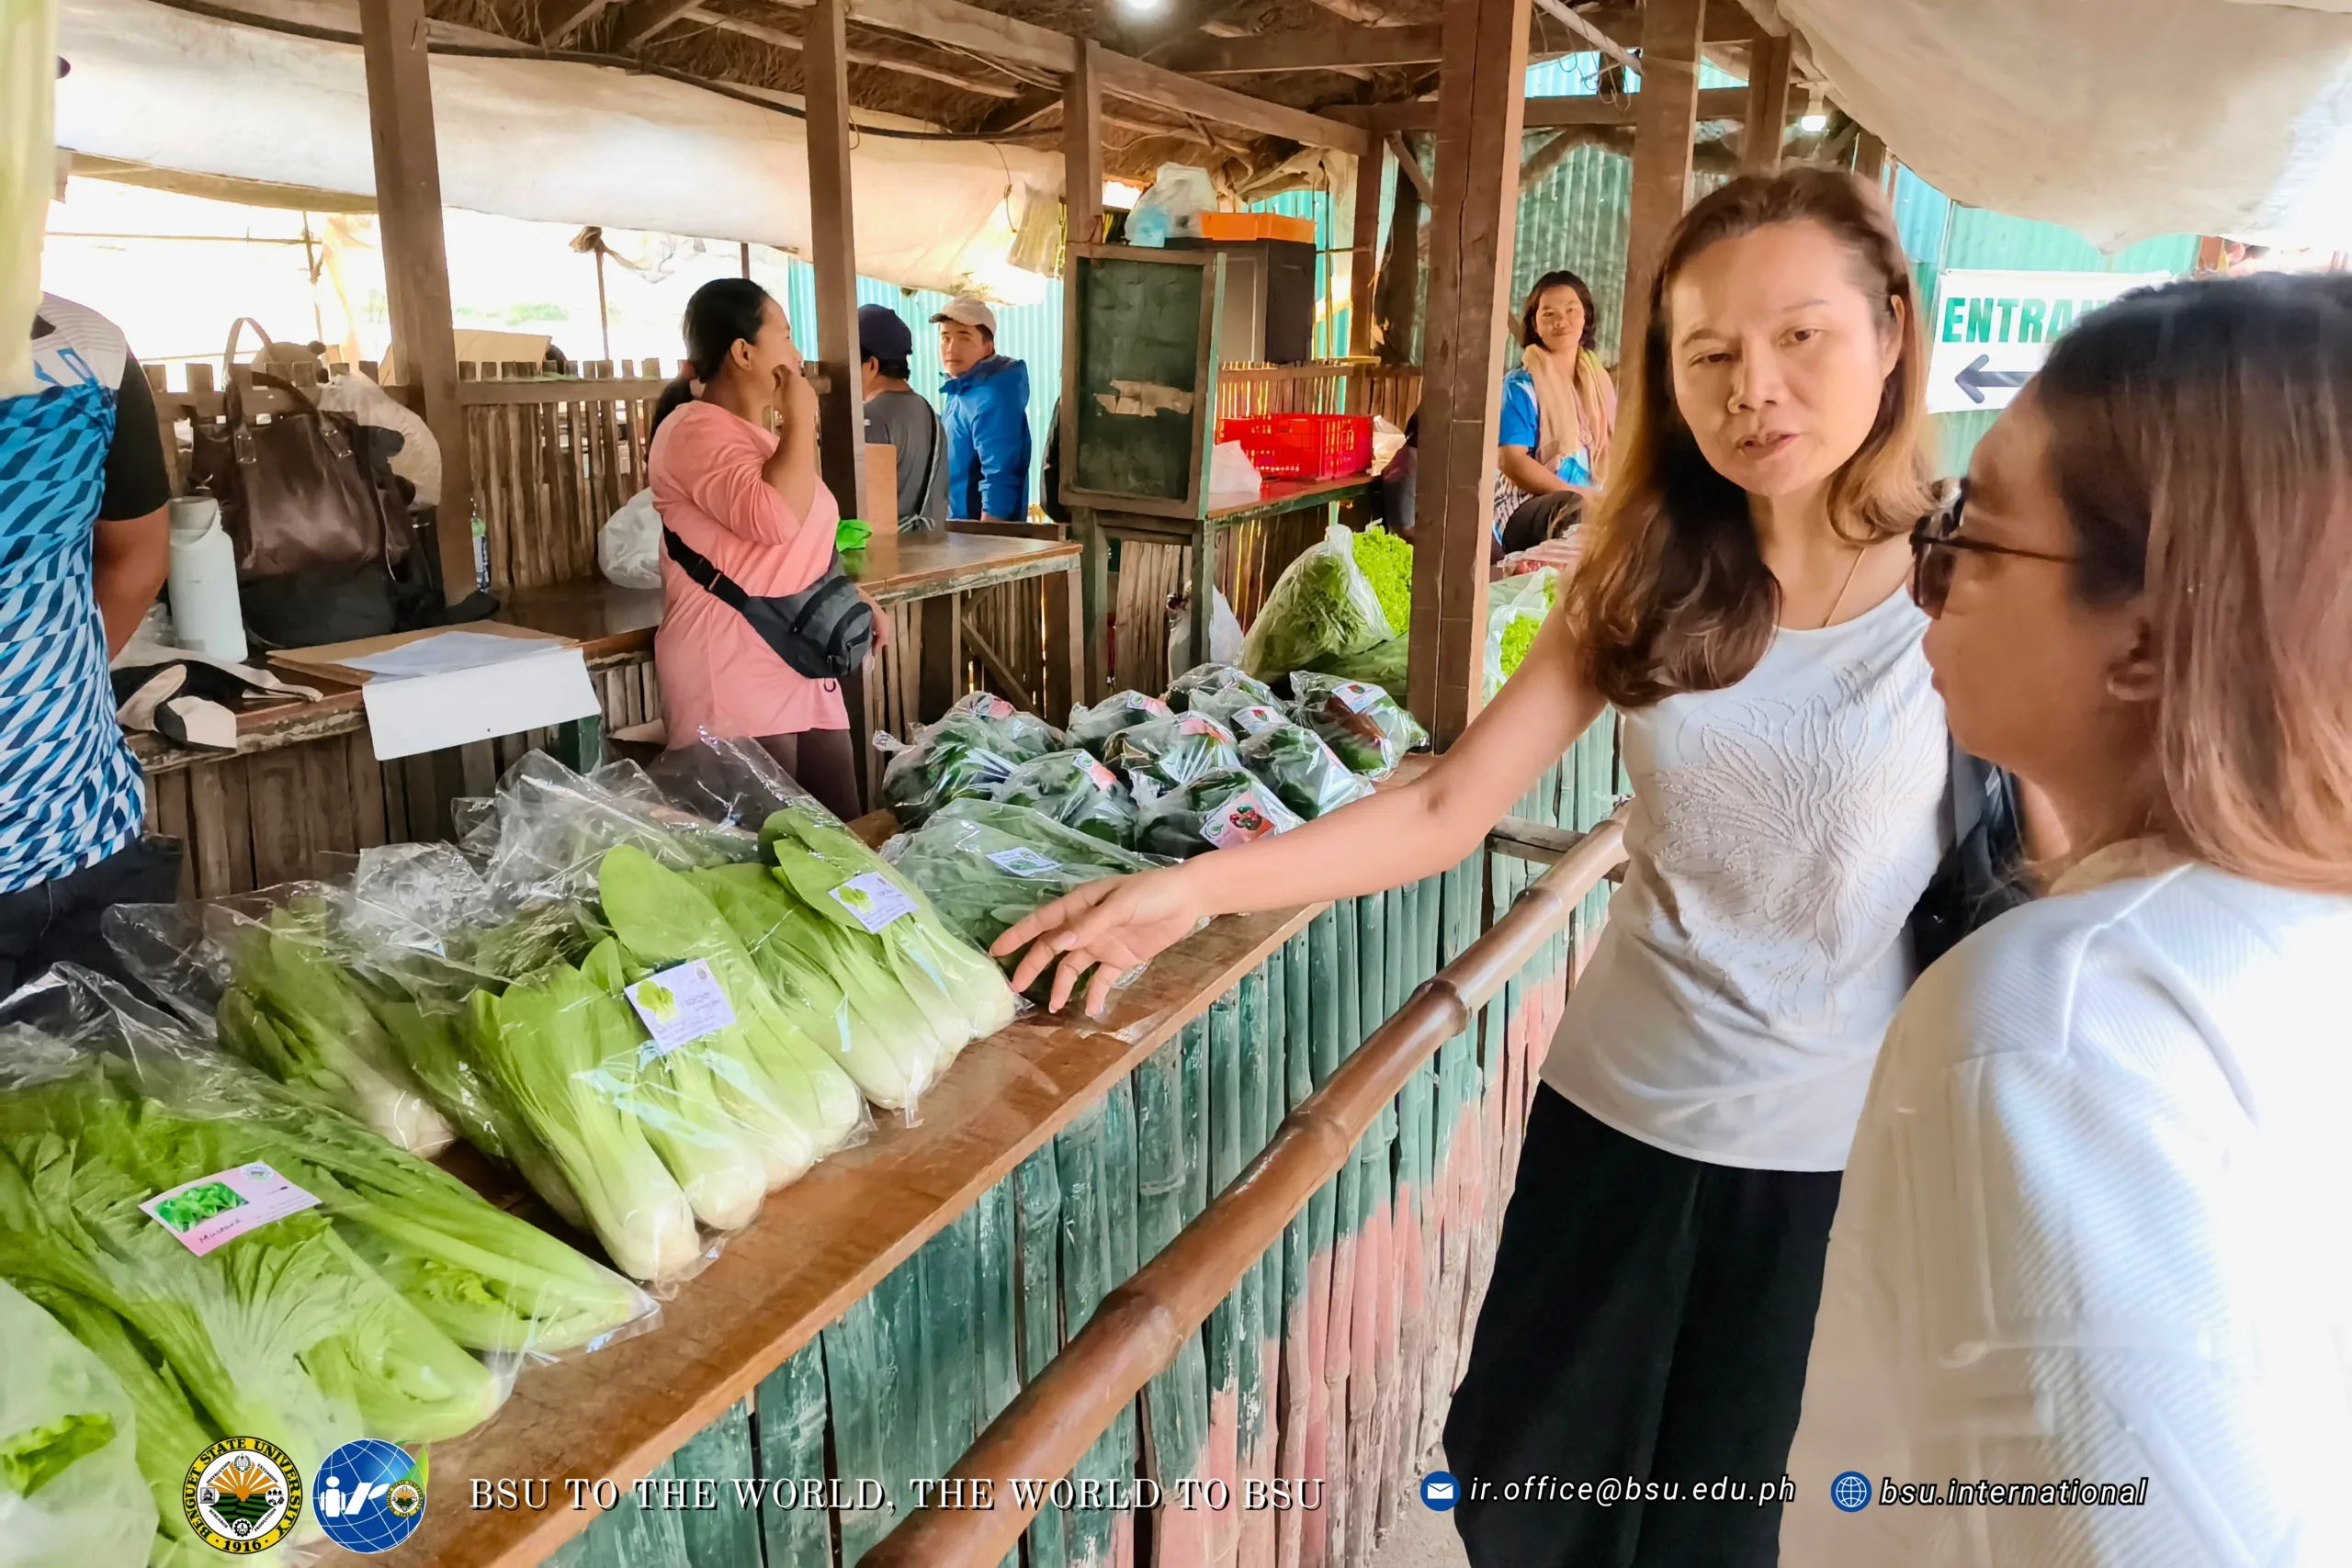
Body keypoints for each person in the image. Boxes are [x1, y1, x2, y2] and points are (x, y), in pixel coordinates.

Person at [993, 169, 1949, 1568]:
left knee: (1732, 1528)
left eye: (1801, 335)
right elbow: (1446, 800)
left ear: (1891, 329)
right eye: (1709, 353)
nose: (1755, 387)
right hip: (1616, 1116)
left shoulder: (1965, 590)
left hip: (1827, 1162)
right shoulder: (1643, 568)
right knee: (1529, 1494)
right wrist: (1189, 888)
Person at [1784, 275, 2352, 1565]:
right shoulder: (2280, 928)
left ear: (2146, 638)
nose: (1927, 580)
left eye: (1974, 536)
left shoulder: (2052, 1030)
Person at [0, 295, 177, 994]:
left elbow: (134, 558)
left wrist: (44, 691)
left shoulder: (91, 350)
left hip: (91, 836)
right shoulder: (91, 349)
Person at [646, 278, 873, 821]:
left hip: (799, 660)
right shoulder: (693, 431)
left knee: (843, 840)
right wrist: (801, 418)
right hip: (733, 672)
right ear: (743, 353)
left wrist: (854, 596)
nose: (797, 355)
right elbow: (772, 518)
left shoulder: (765, 442)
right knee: (762, 853)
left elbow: (800, 543)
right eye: (786, 336)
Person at [1493, 268, 1617, 555]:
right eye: (1548, 314)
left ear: (1585, 317)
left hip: (1591, 502)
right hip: (1525, 507)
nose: (1561, 321)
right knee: (1573, 508)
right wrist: (1576, 493)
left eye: (1571, 310)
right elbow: (1511, 459)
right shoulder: (1521, 385)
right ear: (1535, 325)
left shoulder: (1599, 384)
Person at [933, 295, 1031, 522]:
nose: (951, 348)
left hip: (976, 532)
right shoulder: (961, 389)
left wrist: (989, 537)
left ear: (988, 346)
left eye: (964, 337)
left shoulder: (991, 397)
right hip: (957, 529)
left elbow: (999, 477)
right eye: (945, 338)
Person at [857, 303, 947, 531]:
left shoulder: (869, 418)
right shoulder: (930, 413)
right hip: (932, 547)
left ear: (872, 365)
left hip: (888, 551)